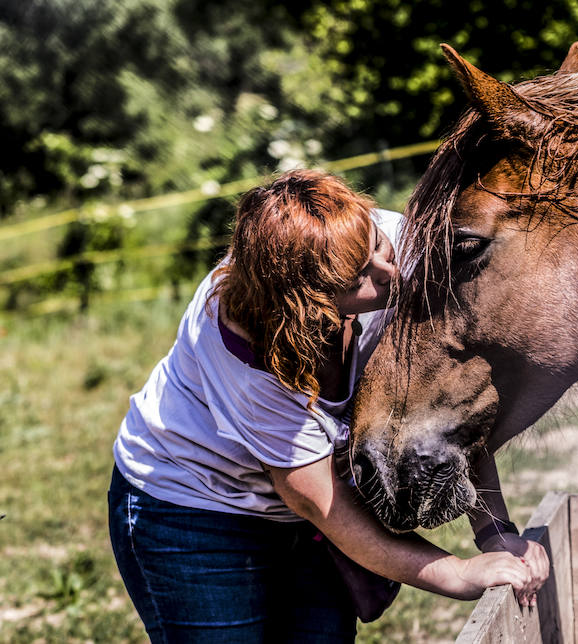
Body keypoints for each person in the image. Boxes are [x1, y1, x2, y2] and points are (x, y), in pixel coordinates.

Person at [108, 168, 549, 643]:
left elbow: (449, 401)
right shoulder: (247, 357)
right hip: (195, 509)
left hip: (298, 511)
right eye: (360, 277)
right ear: (307, 304)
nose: (390, 272)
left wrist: (494, 532)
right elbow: (323, 504)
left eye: (378, 245)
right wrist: (457, 573)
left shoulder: (393, 247)